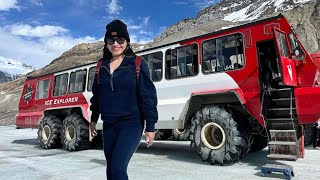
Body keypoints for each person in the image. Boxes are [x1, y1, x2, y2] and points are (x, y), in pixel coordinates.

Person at [89, 19, 158, 180]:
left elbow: (148, 97)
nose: (116, 44)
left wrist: (151, 126)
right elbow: (97, 96)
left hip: (131, 124)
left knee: (118, 169)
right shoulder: (101, 66)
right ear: (106, 42)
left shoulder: (138, 64)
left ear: (127, 41)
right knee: (111, 170)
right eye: (111, 40)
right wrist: (93, 119)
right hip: (109, 125)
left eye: (120, 39)